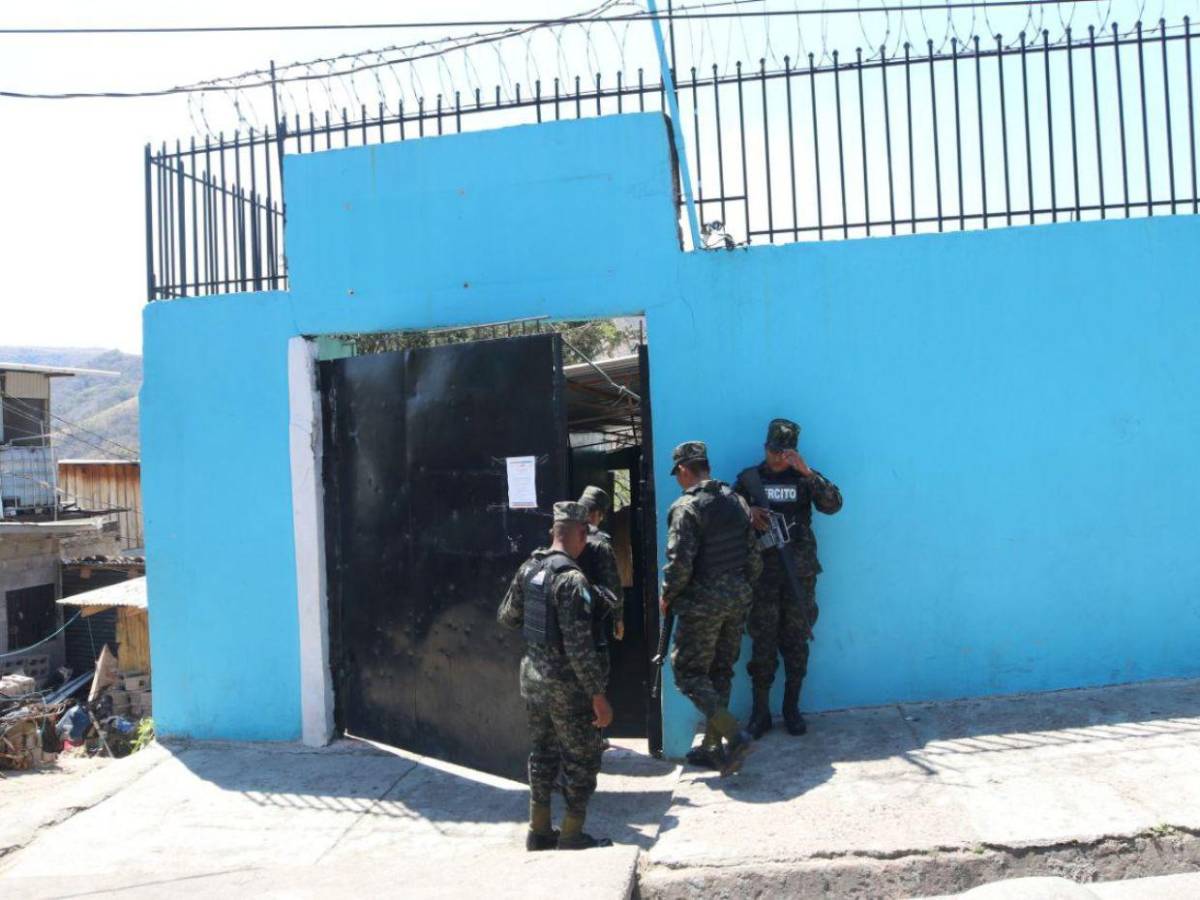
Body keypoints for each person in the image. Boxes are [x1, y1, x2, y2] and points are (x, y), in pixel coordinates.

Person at [497, 501, 614, 851]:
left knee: (542, 753)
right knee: (583, 758)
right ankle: (572, 833)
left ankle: (539, 830)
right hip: (568, 688)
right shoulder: (572, 580)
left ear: (553, 532)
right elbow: (579, 648)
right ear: (580, 534)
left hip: (534, 681)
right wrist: (598, 696)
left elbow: (507, 617)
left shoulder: (530, 568)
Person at [734, 418, 843, 738]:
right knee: (763, 644)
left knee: (796, 643)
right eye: (773, 450)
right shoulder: (749, 480)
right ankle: (760, 713)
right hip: (763, 575)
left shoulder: (805, 479)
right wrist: (748, 513)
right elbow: (725, 513)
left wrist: (808, 473)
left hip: (799, 575)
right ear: (765, 447)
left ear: (794, 452)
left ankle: (791, 709)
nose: (778, 457)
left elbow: (833, 505)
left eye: (784, 452)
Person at [661, 441, 762, 775]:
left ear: (684, 470)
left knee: (688, 673)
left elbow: (679, 562)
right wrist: (742, 588)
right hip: (738, 597)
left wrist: (667, 595)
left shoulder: (686, 507)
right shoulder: (736, 500)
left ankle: (734, 735)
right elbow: (753, 555)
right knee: (721, 670)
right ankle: (712, 747)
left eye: (678, 474)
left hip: (703, 602)